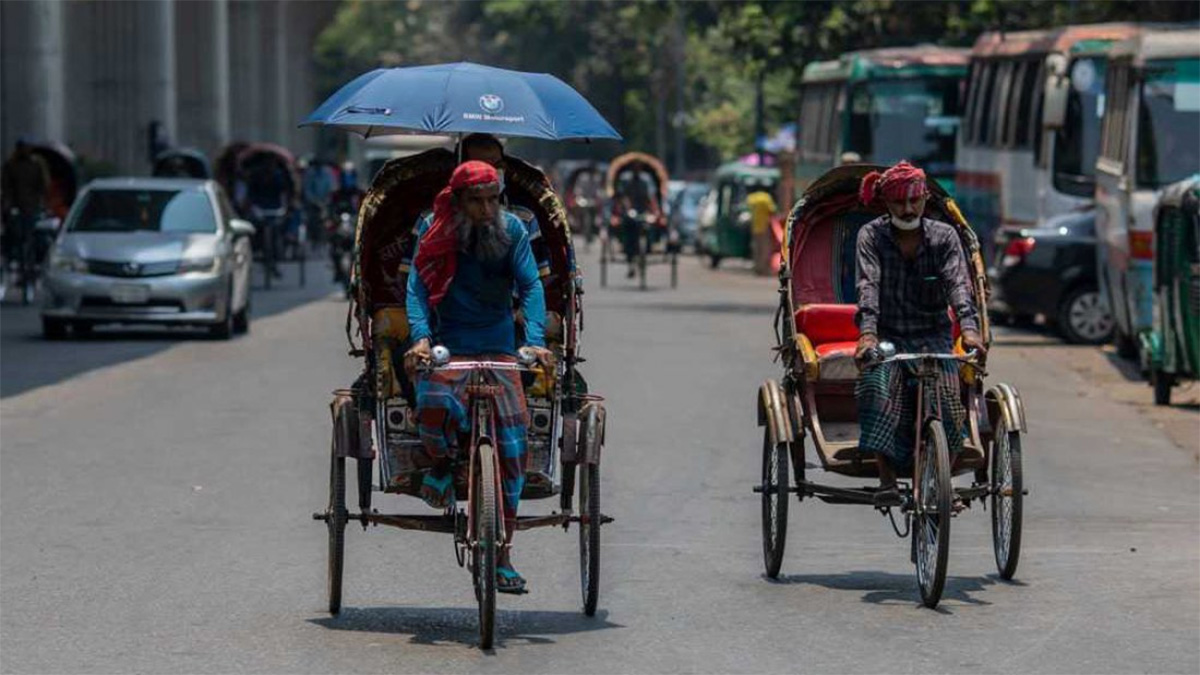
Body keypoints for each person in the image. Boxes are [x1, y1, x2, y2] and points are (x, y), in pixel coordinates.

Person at [402, 161, 553, 594]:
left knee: (513, 446)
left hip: (501, 348)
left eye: (492, 200)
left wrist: (536, 340)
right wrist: (420, 339)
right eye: (476, 201)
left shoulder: (514, 232)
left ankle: (502, 555)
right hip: (449, 344)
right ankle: (446, 463)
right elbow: (415, 287)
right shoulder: (435, 228)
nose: (486, 210)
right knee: (431, 406)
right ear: (458, 200)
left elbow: (531, 288)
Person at [852, 160, 986, 507]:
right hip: (887, 336)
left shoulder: (944, 237)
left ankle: (941, 481)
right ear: (885, 203)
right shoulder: (871, 235)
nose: (908, 209)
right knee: (876, 389)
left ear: (925, 199)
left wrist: (969, 330)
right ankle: (886, 480)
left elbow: (959, 285)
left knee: (952, 406)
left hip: (934, 337)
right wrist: (866, 335)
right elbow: (868, 287)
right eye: (898, 203)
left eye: (914, 201)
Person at [1, 138, 49, 278]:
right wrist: (7, 204)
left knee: (35, 234)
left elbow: (44, 184)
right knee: (13, 233)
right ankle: (13, 259)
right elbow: (6, 186)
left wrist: (41, 201)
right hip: (17, 206)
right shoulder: (10, 165)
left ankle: (33, 261)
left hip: (32, 206)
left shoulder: (36, 164)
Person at [245, 157, 294, 279]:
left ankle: (280, 251)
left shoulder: (279, 177)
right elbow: (251, 195)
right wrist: (253, 208)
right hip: (259, 209)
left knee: (279, 229)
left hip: (275, 209)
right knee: (253, 229)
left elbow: (284, 193)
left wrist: (284, 207)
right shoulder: (255, 176)